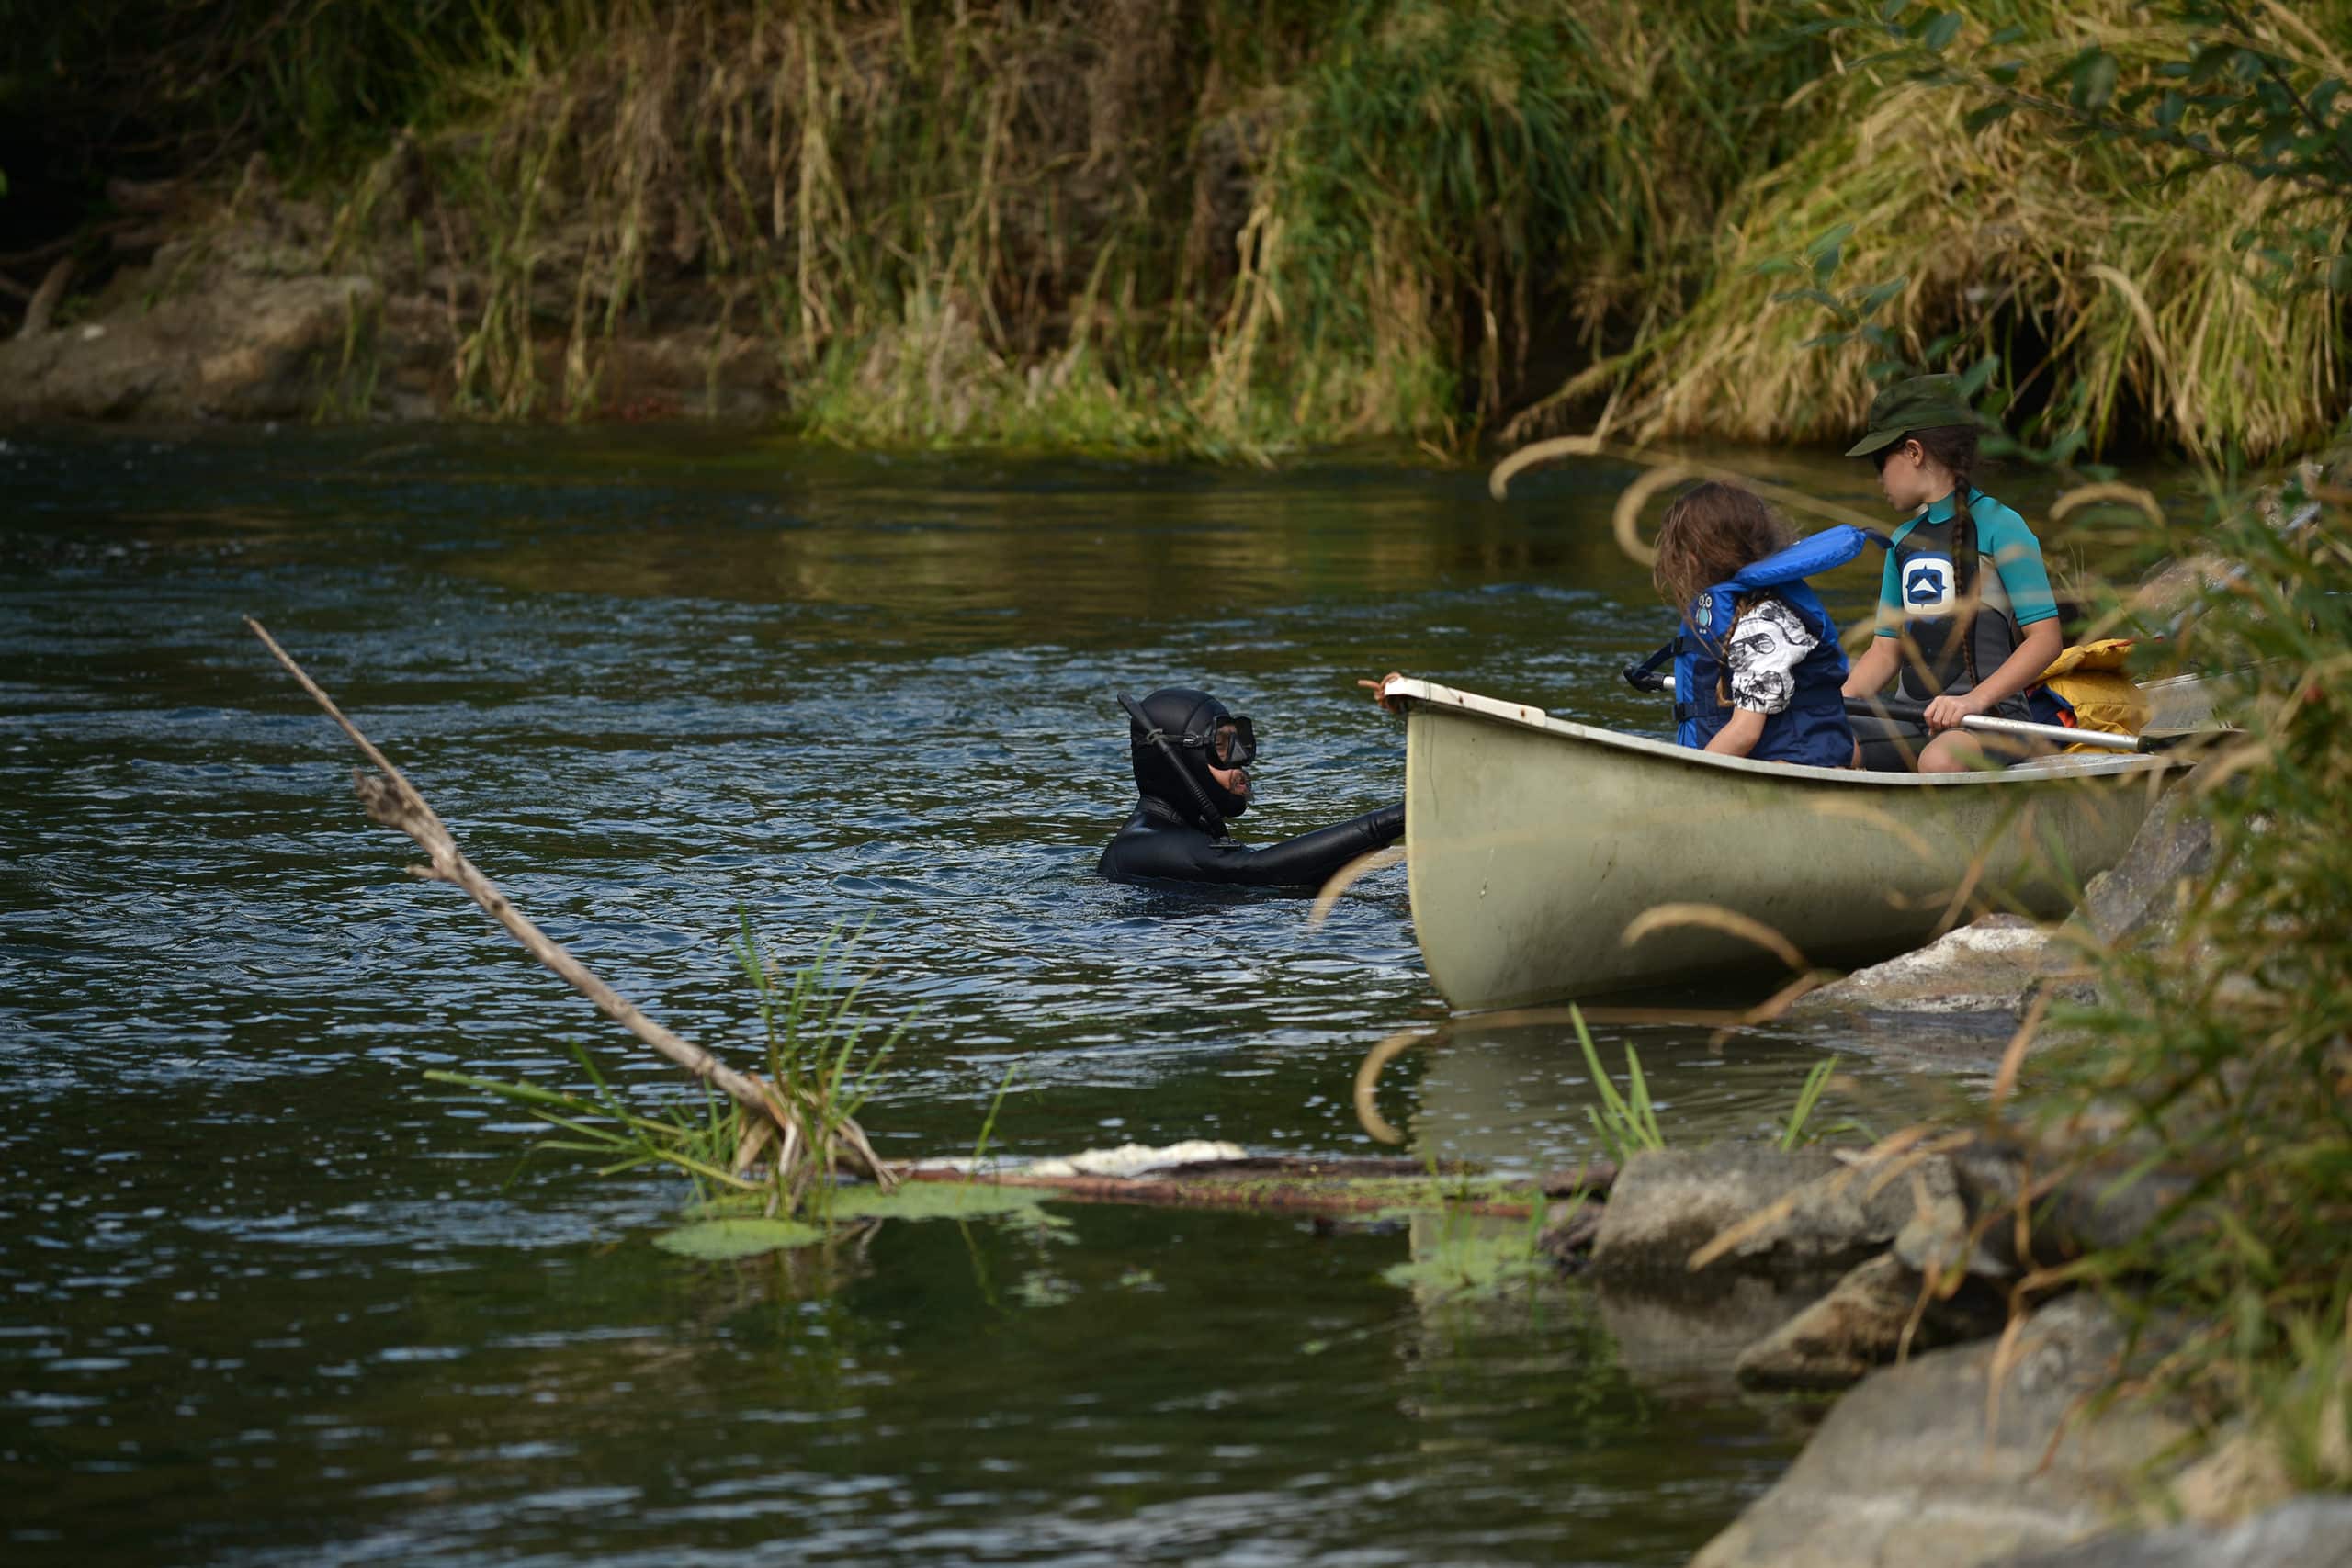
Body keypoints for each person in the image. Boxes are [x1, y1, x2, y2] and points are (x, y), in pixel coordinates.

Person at [1839, 375, 2064, 773]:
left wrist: (1972, 701)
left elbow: (2045, 640)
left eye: (1880, 463)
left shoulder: (2003, 526)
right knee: (1830, 742)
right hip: (1913, 719)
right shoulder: (1902, 541)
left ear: (1913, 452)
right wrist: (1835, 704)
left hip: (1989, 720)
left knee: (1941, 758)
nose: (1878, 480)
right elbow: (1884, 650)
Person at [1639, 480, 1865, 767]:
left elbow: (1744, 733)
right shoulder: (1750, 611)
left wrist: (1684, 775)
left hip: (1792, 767)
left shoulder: (1760, 625)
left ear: (1694, 561)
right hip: (1806, 756)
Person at [1095, 687, 1403, 886]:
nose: (1240, 764)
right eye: (1220, 747)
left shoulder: (1189, 837)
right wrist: (1398, 817)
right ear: (1176, 760)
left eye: (1238, 744)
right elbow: (1260, 869)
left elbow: (1291, 876)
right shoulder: (1143, 845)